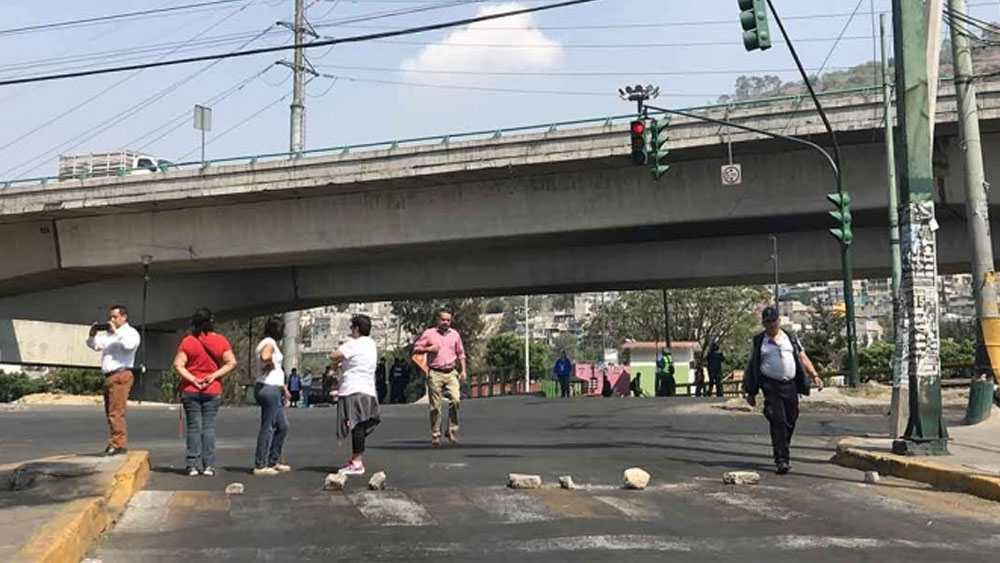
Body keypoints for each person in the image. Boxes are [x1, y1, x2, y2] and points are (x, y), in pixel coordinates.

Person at [743, 306, 824, 475]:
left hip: (790, 385)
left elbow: (802, 357)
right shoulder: (759, 341)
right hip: (770, 386)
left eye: (774, 321)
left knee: (791, 418)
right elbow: (752, 366)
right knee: (778, 420)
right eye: (768, 322)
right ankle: (782, 459)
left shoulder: (790, 338)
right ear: (763, 323)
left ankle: (782, 447)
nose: (771, 324)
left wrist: (814, 375)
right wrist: (750, 391)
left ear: (778, 321)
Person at [172, 308, 237, 477]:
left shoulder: (188, 341)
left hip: (191, 389)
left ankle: (192, 464)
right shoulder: (221, 341)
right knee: (208, 427)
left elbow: (178, 364)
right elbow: (231, 362)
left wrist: (193, 379)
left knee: (194, 427)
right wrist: (213, 376)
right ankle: (209, 465)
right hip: (212, 389)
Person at [85, 305, 140, 456]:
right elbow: (95, 345)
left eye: (115, 317)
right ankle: (115, 442)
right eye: (111, 317)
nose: (112, 320)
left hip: (121, 374)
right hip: (109, 376)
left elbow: (129, 346)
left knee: (116, 412)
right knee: (110, 412)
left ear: (124, 317)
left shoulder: (130, 333)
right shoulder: (110, 335)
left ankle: (118, 444)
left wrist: (116, 332)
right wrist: (92, 334)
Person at [329, 314, 380, 475]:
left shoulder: (354, 344)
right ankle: (357, 459)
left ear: (356, 328)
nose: (351, 331)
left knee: (355, 424)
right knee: (361, 425)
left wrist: (336, 355)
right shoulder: (371, 344)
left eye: (352, 327)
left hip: (353, 389)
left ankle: (357, 462)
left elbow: (333, 355)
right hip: (368, 390)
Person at [413, 309, 467, 446]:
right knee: (436, 406)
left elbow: (461, 353)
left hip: (451, 372)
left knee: (455, 400)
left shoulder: (455, 335)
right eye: (443, 320)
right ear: (438, 320)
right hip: (435, 372)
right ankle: (435, 433)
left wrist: (463, 371)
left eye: (448, 320)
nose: (446, 323)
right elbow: (416, 349)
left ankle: (452, 430)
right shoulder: (429, 334)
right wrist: (429, 349)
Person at [253, 317, 292, 476]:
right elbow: (265, 356)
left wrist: (284, 388)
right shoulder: (269, 342)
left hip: (273, 387)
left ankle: (273, 460)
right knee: (268, 427)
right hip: (268, 388)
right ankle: (260, 465)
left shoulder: (268, 342)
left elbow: (277, 371)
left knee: (282, 426)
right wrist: (269, 362)